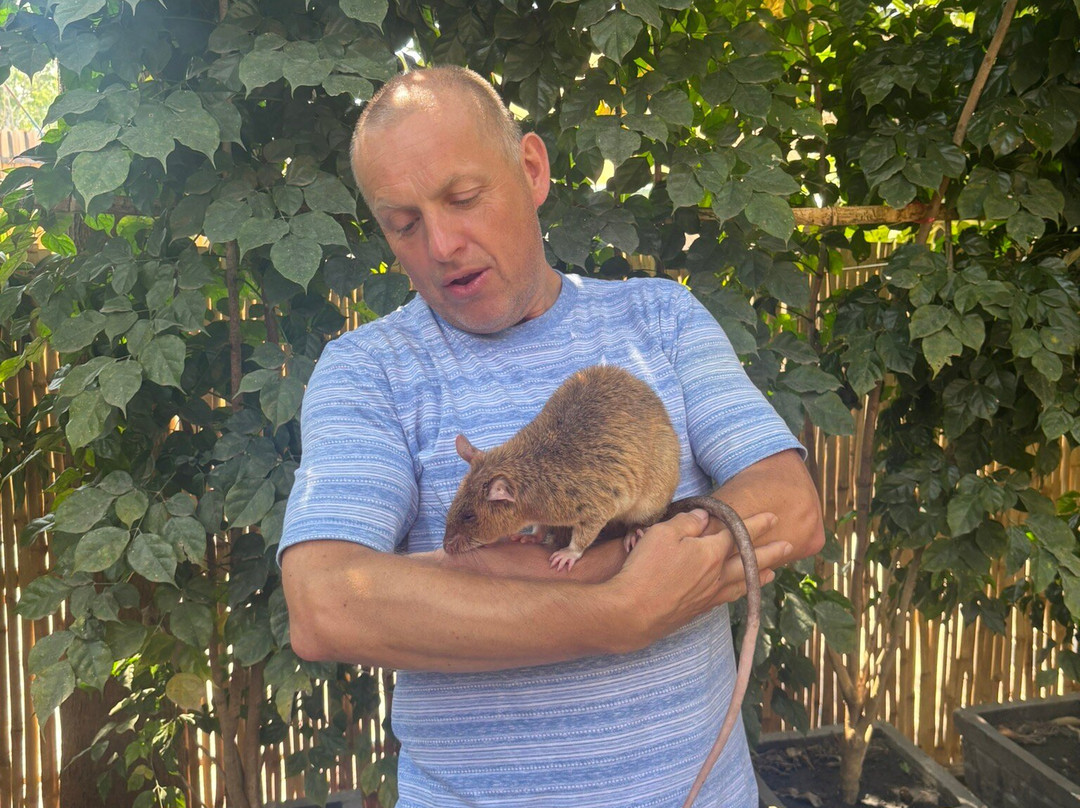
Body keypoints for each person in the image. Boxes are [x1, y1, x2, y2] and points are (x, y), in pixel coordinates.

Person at [279, 65, 824, 808]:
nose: (442, 244)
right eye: (403, 223)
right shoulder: (367, 370)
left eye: (463, 198)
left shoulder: (661, 318)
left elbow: (790, 508)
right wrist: (618, 610)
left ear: (532, 169)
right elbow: (325, 605)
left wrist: (482, 577)